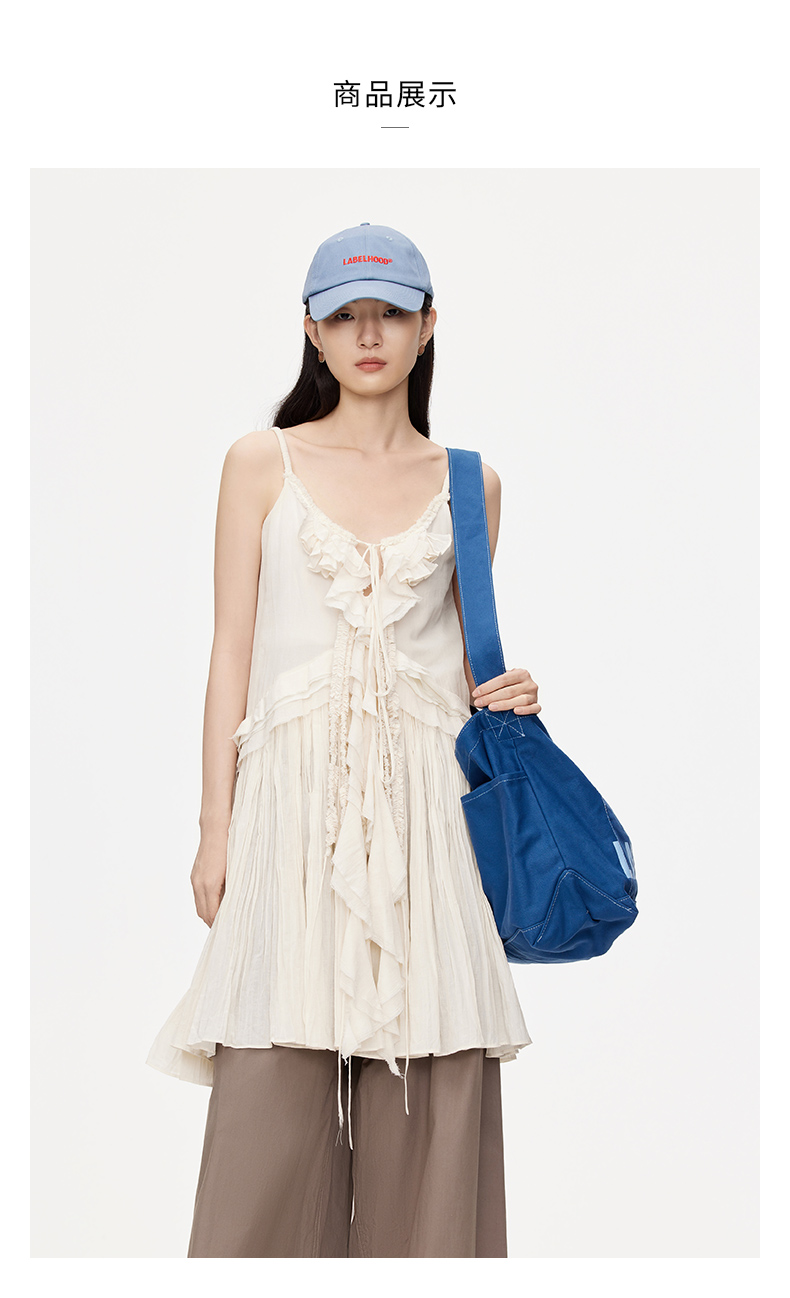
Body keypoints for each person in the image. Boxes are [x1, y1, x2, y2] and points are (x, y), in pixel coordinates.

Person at [146, 222, 540, 1258]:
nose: (369, 334)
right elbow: (231, 652)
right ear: (312, 331)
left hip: (427, 827)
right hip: (290, 820)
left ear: (428, 325)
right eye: (345, 314)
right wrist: (215, 829)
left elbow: (461, 671)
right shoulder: (259, 463)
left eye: (391, 312)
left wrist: (512, 694)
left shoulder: (473, 484)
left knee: (434, 1139)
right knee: (264, 1138)